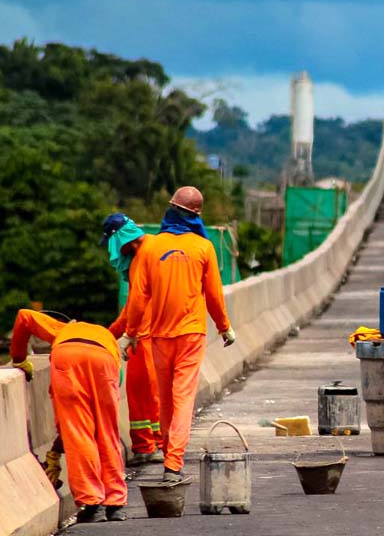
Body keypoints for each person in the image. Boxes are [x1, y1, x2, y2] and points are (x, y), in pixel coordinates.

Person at [121, 186, 236, 483]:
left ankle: (166, 449)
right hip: (191, 335)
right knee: (183, 398)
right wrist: (224, 327)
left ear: (170, 210)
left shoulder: (150, 248)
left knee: (166, 398)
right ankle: (173, 462)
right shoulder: (203, 248)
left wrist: (131, 333)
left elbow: (137, 298)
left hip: (158, 335)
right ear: (196, 216)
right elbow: (213, 295)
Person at [10, 309, 127, 523]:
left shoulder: (63, 329)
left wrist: (19, 359)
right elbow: (115, 381)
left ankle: (91, 502)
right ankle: (115, 504)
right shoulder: (105, 334)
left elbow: (24, 317)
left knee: (77, 431)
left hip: (67, 357)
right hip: (104, 359)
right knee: (107, 432)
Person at [100, 213, 164, 465]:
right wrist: (107, 334)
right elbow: (131, 309)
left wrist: (129, 335)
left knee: (140, 393)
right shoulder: (157, 246)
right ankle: (158, 441)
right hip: (162, 333)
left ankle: (145, 446)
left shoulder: (142, 258)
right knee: (155, 393)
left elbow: (136, 306)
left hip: (143, 337)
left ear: (119, 238)